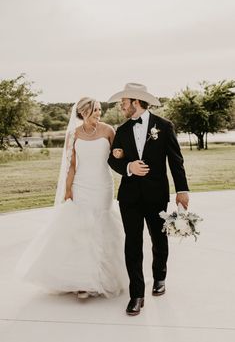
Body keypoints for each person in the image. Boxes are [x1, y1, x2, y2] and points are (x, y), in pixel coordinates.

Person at [17, 98, 126, 299]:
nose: (99, 114)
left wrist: (120, 154)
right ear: (84, 112)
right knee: (81, 230)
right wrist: (68, 190)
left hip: (103, 185)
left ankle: (104, 277)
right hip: (81, 185)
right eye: (95, 110)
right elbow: (72, 165)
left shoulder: (109, 130)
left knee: (102, 226)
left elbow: (118, 155)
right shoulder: (73, 134)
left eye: (100, 110)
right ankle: (83, 282)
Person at [108, 83, 189, 315]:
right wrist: (129, 167)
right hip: (129, 197)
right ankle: (136, 294)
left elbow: (176, 161)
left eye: (124, 101)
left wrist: (182, 190)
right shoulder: (122, 131)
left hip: (156, 195)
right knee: (132, 243)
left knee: (158, 239)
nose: (121, 105)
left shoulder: (164, 126)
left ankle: (160, 278)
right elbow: (113, 160)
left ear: (135, 101)